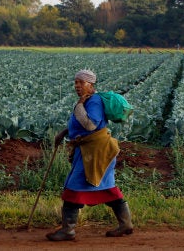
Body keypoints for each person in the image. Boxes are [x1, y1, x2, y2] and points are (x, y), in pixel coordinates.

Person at [46, 69, 133, 241]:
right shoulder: (89, 100)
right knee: (106, 186)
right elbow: (80, 124)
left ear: (90, 85)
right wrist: (64, 133)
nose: (77, 86)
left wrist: (79, 106)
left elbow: (90, 125)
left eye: (81, 82)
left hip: (96, 152)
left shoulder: (93, 101)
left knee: (74, 186)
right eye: (76, 82)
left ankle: (68, 230)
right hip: (91, 151)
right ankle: (126, 224)